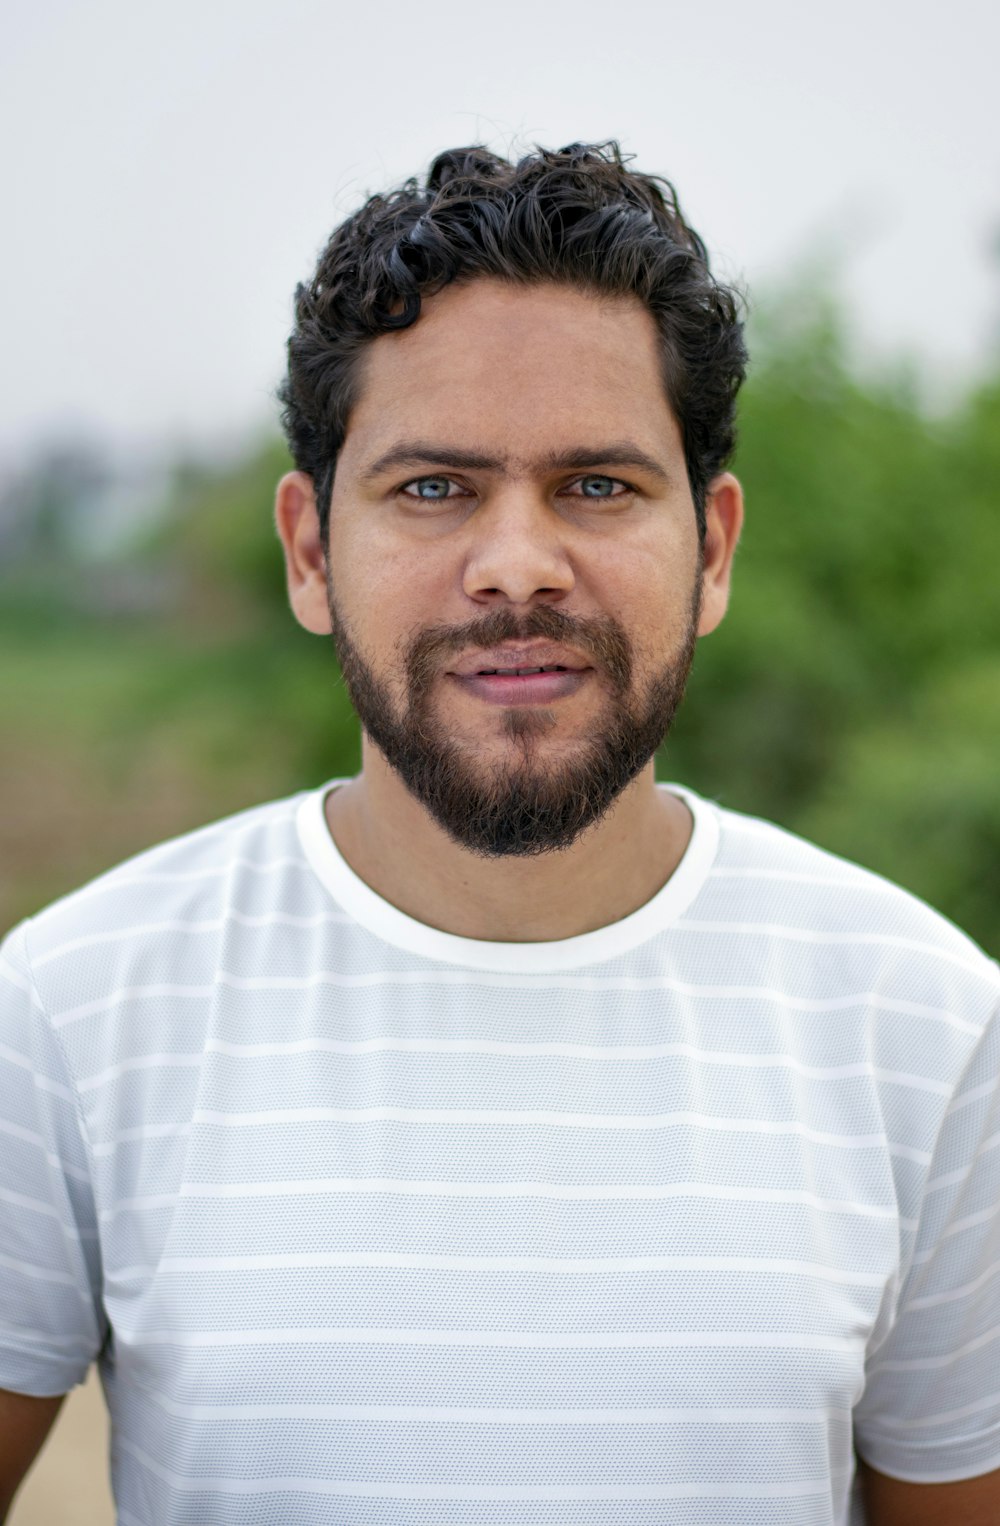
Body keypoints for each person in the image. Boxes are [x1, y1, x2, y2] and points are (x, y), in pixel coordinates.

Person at [1, 142, 997, 1526]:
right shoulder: (72, 1004)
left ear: (713, 549)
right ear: (307, 551)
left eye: (597, 484)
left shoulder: (930, 1026)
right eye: (432, 487)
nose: (518, 562)